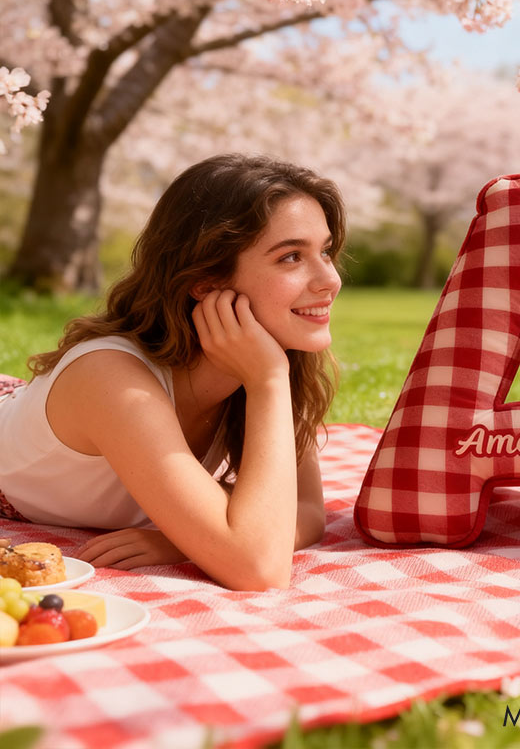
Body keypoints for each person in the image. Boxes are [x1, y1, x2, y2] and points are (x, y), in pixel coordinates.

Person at [0, 154, 345, 590]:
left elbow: (305, 512)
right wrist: (268, 381)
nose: (329, 279)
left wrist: (185, 542)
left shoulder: (272, 359)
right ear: (203, 281)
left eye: (326, 251)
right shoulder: (112, 379)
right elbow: (260, 568)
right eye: (292, 257)